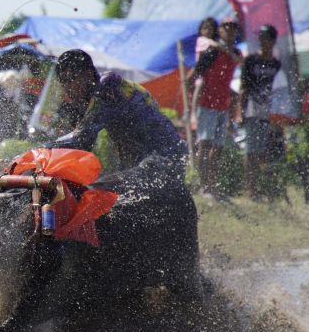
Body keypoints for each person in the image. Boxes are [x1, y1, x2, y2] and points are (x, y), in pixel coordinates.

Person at [46, 49, 188, 182]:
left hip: (163, 159)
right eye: (63, 81)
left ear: (88, 74)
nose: (67, 87)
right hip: (147, 162)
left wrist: (40, 150)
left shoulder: (108, 86)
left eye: (70, 79)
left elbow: (81, 139)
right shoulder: (93, 97)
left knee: (100, 196)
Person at [185, 19, 243, 198]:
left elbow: (237, 63)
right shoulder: (212, 52)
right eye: (226, 27)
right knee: (204, 145)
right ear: (220, 30)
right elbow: (194, 75)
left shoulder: (235, 52)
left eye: (233, 27)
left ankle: (212, 187)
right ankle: (202, 187)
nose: (230, 30)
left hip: (222, 106)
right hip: (207, 105)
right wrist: (189, 100)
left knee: (217, 148)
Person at [238, 24, 282, 200]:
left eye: (265, 37)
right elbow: (243, 87)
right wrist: (240, 112)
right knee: (251, 151)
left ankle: (259, 188)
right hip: (251, 110)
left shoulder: (277, 64)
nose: (261, 41)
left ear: (272, 41)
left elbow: (281, 89)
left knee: (263, 152)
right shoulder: (251, 61)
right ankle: (251, 191)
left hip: (269, 112)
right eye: (260, 37)